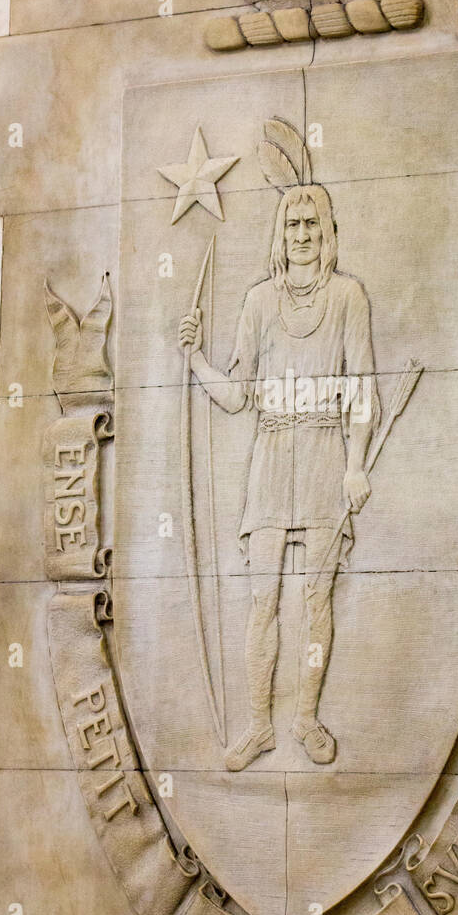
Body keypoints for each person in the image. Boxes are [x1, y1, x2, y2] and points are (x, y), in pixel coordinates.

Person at [179, 170, 378, 771]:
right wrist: (194, 362)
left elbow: (362, 389)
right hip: (270, 458)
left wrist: (356, 466)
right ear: (279, 232)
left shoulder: (348, 297)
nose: (301, 233)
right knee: (263, 596)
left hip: (323, 457)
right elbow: (238, 394)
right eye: (291, 224)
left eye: (311, 223)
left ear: (328, 232)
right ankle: (260, 724)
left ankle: (306, 718)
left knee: (318, 598)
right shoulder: (259, 302)